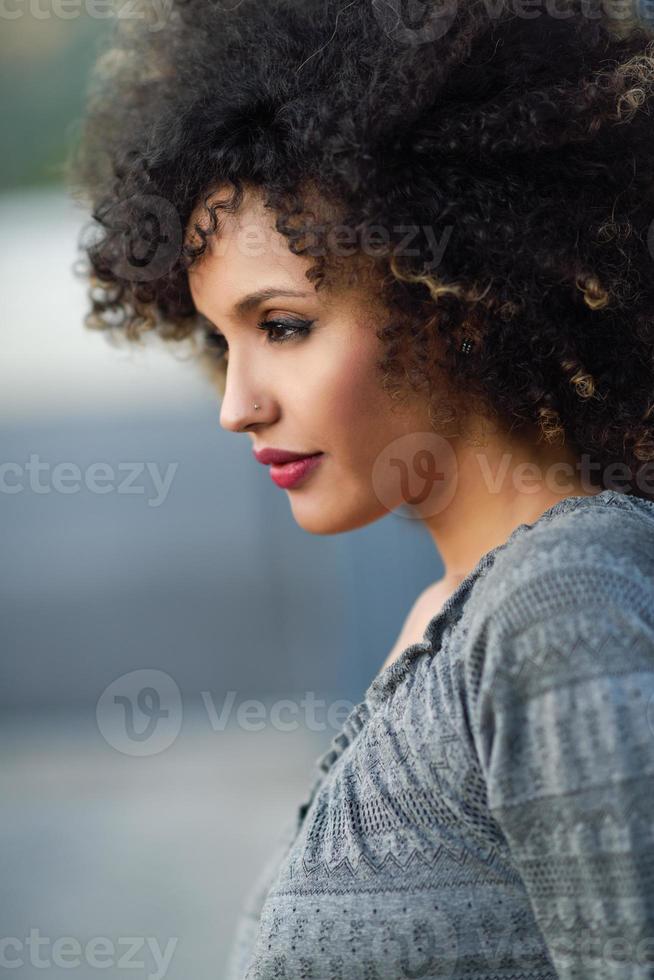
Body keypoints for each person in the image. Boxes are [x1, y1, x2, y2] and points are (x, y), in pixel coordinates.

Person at [66, 0, 654, 976]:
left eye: (285, 324)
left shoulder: (563, 603)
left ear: (457, 296)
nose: (238, 403)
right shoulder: (454, 612)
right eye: (223, 337)